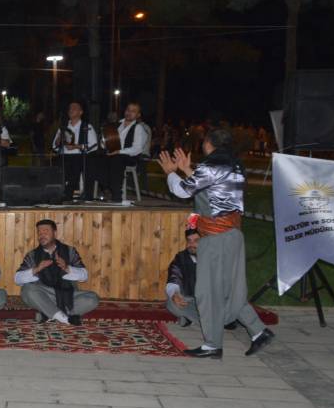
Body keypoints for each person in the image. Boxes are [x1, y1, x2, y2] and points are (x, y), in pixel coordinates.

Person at [159, 129, 275, 358]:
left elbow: (183, 191)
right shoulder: (235, 165)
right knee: (230, 289)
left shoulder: (211, 165)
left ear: (208, 143)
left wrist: (171, 173)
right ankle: (259, 331)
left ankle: (213, 345)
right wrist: (187, 170)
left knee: (208, 291)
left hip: (215, 237)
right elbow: (210, 191)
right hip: (233, 235)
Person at [14, 219, 99, 325]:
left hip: (67, 296)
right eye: (39, 232)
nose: (42, 235)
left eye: (46, 231)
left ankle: (48, 313)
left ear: (55, 233)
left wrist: (67, 268)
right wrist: (37, 269)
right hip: (44, 295)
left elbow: (84, 276)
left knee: (92, 298)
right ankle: (65, 318)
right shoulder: (32, 255)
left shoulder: (69, 251)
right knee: (27, 290)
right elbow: (17, 279)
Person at [51, 101, 98, 200]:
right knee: (56, 166)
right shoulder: (63, 127)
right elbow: (54, 146)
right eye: (70, 108)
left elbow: (94, 146)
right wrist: (58, 141)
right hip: (64, 156)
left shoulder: (87, 127)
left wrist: (77, 146)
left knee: (77, 165)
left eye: (74, 108)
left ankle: (68, 194)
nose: (71, 110)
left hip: (79, 155)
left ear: (81, 112)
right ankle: (57, 193)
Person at [103, 102, 149, 201]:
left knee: (117, 159)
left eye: (133, 111)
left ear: (138, 115)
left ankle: (117, 195)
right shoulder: (116, 125)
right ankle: (90, 193)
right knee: (93, 158)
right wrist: (104, 144)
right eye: (128, 110)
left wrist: (119, 152)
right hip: (114, 154)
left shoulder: (138, 128)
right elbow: (106, 141)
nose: (129, 112)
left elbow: (137, 149)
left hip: (130, 157)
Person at [166, 229, 200, 327]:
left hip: (209, 302)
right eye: (189, 241)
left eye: (196, 241)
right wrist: (175, 294)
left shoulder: (213, 257)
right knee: (171, 303)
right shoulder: (180, 258)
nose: (191, 244)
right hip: (189, 300)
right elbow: (174, 276)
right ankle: (215, 321)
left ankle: (189, 318)